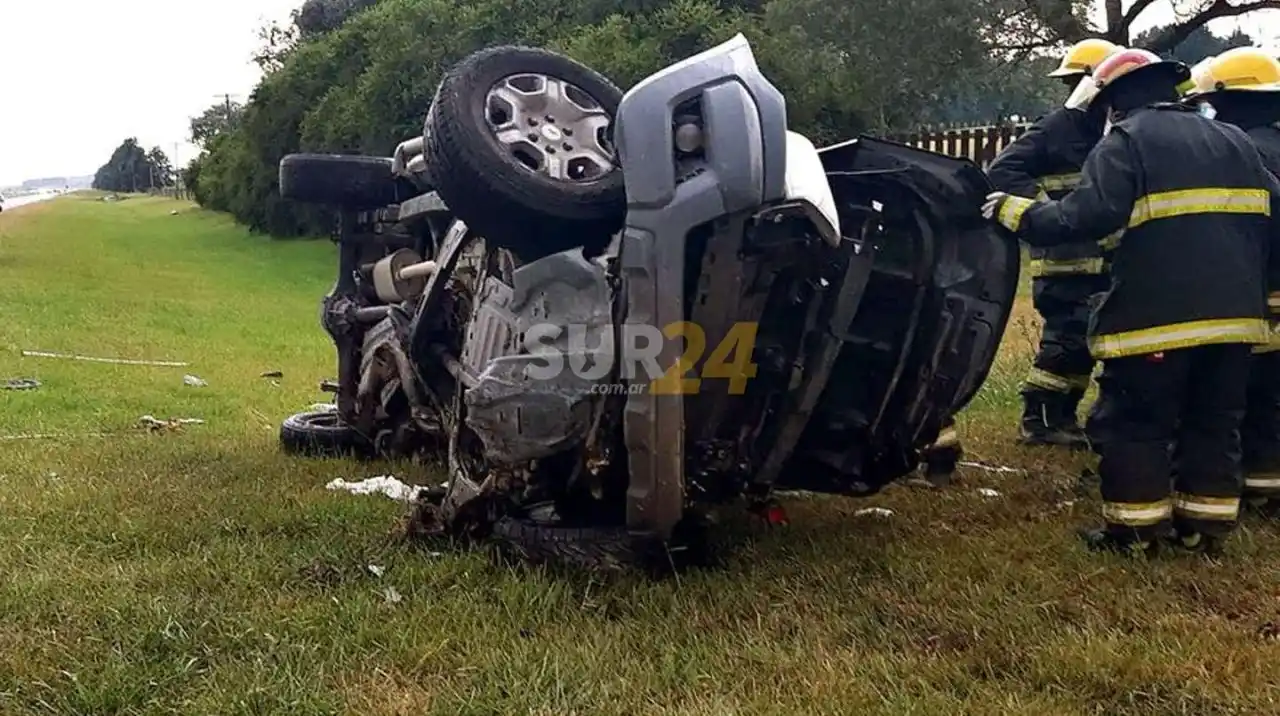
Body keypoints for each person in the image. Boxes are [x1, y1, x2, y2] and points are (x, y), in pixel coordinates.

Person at [983, 48, 1280, 556]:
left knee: (1134, 422)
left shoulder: (1125, 141)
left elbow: (1084, 217)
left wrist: (1017, 213)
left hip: (1154, 320)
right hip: (1237, 323)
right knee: (1213, 422)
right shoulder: (1234, 140)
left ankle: (1136, 535)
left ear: (1113, 103)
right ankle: (1203, 530)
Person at [987, 38, 1121, 448]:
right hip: (1065, 262)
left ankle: (1062, 419)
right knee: (1066, 340)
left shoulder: (1114, 130)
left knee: (1084, 344)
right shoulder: (1057, 128)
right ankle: (1039, 420)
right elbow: (1002, 170)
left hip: (1105, 261)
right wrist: (1046, 209)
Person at [1186, 48, 1280, 511]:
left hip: (1260, 293)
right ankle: (1268, 488)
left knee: (1252, 395)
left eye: (1214, 104)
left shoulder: (1244, 152)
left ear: (1233, 100)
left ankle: (1252, 486)